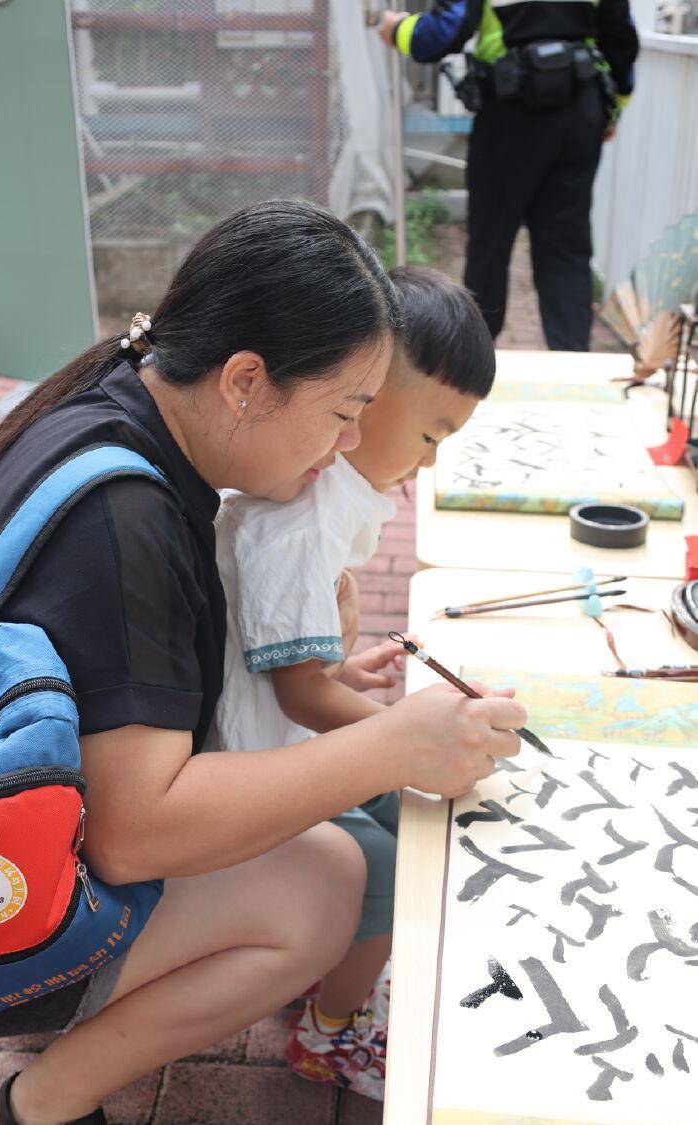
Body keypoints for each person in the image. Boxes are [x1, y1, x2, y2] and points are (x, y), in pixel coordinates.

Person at [0, 202, 526, 1125]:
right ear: (246, 381)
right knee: (329, 883)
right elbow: (137, 833)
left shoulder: (107, 404)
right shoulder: (123, 520)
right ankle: (35, 1102)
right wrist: (396, 745)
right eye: (343, 412)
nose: (346, 445)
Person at [212, 267, 496, 1100]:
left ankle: (334, 976)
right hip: (252, 762)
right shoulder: (306, 512)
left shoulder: (332, 489)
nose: (431, 460)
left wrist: (345, 669)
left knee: (409, 818)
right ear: (363, 403)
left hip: (274, 734)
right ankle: (328, 1033)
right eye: (428, 433)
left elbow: (290, 664)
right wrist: (400, 731)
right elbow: (299, 696)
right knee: (382, 864)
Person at [379, 2, 639, 352]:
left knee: (490, 243)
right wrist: (613, 107)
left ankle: (472, 367)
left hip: (510, 111)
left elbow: (444, 34)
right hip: (578, 108)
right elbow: (621, 38)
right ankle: (574, 369)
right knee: (566, 249)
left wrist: (396, 28)